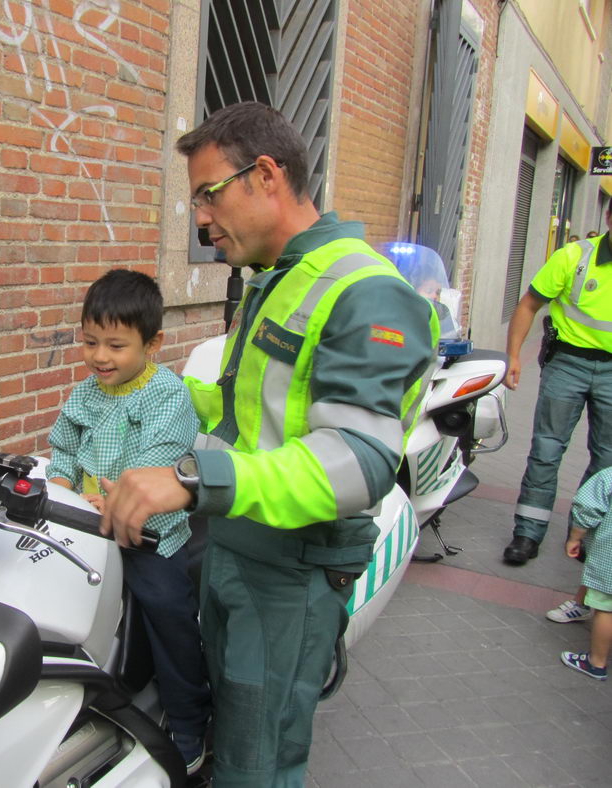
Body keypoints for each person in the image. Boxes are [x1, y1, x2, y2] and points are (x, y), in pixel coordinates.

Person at [99, 102, 438, 787]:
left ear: (264, 175)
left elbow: (359, 460)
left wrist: (193, 481)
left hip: (289, 571)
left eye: (207, 193)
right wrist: (145, 391)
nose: (198, 217)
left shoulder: (365, 293)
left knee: (257, 765)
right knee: (229, 734)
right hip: (234, 544)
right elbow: (245, 413)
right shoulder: (274, 279)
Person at [45, 268, 211, 774]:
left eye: (115, 345)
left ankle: (189, 722)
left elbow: (155, 467)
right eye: (90, 341)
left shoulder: (168, 395)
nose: (99, 357)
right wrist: (60, 483)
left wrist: (111, 501)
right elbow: (65, 445)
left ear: (153, 343)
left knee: (167, 614)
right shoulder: (89, 390)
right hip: (87, 524)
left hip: (149, 538)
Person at [502, 203, 612, 566]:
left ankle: (588, 534)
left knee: (608, 460)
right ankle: (527, 533)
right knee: (547, 451)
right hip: (568, 364)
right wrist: (514, 356)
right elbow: (529, 304)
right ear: (609, 219)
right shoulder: (574, 257)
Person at [558, 465, 612, 680]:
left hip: (609, 562)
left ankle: (596, 662)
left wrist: (575, 537)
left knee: (606, 608)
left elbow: (587, 507)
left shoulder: (608, 477)